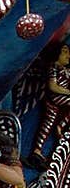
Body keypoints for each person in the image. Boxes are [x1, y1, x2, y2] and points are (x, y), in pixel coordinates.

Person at [28, 43, 70, 171]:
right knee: (48, 122)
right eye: (65, 51)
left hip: (60, 100)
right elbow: (52, 86)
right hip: (54, 97)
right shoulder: (54, 67)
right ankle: (61, 125)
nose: (68, 55)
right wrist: (68, 92)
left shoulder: (67, 70)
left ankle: (37, 151)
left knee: (47, 123)